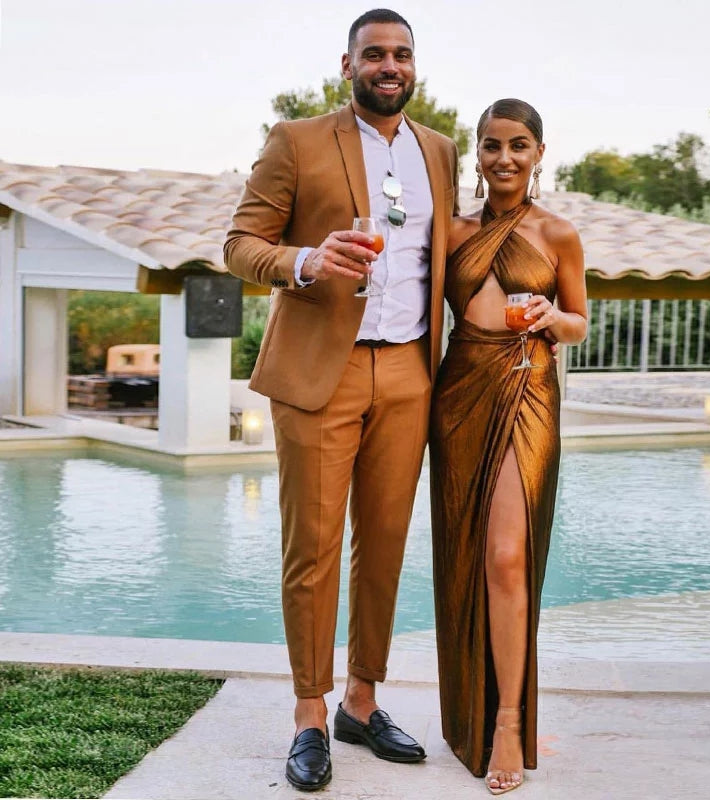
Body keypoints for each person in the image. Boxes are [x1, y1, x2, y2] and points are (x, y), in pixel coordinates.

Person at [223, 8, 459, 793]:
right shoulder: (297, 141)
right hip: (321, 372)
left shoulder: (440, 152)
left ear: (413, 66)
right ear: (348, 64)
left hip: (409, 374)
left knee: (385, 545)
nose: (387, 65)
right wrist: (305, 260)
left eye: (400, 54)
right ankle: (309, 714)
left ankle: (363, 699)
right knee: (313, 551)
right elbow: (241, 243)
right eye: (373, 54)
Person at [429, 99, 588, 795]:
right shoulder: (452, 231)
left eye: (518, 146)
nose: (504, 159)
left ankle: (507, 721)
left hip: (529, 387)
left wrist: (556, 315)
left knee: (506, 554)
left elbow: (579, 321)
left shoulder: (559, 233)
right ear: (478, 152)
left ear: (540, 152)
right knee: (468, 554)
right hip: (460, 390)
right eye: (492, 146)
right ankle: (469, 710)